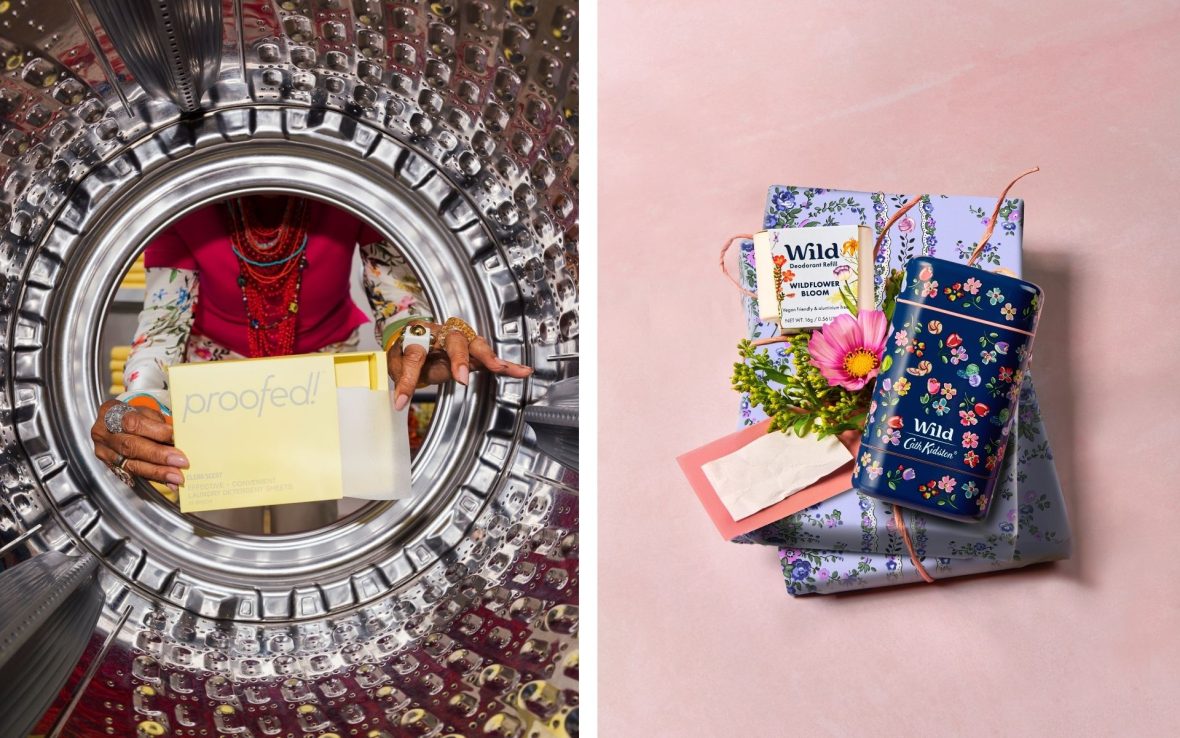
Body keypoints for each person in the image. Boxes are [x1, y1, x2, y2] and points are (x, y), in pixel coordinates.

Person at [89, 194, 531, 531]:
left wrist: (415, 337)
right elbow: (162, 327)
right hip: (217, 397)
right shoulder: (182, 201)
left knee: (307, 526)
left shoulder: (348, 182)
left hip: (317, 390)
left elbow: (397, 302)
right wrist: (140, 400)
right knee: (219, 530)